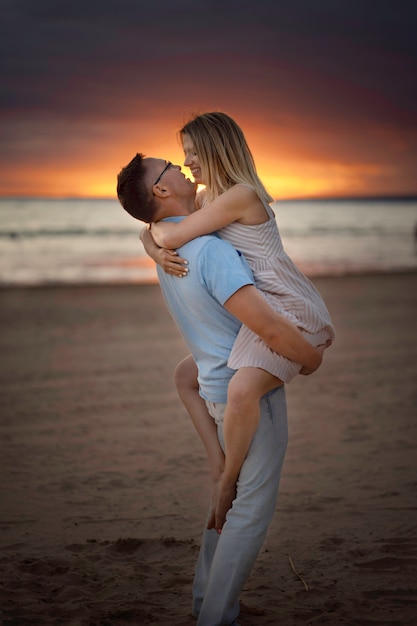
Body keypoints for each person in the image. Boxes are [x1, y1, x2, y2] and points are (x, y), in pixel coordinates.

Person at [117, 153, 330, 625]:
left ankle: (206, 602)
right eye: (169, 165)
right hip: (246, 391)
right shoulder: (210, 250)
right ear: (160, 191)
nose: (180, 166)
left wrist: (151, 243)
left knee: (229, 498)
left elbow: (155, 233)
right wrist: (311, 358)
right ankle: (217, 616)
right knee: (250, 509)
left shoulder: (175, 249)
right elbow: (270, 329)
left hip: (217, 386)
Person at [141, 112, 335, 531]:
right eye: (183, 154)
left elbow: (170, 234)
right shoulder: (210, 198)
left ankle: (227, 481)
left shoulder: (240, 195)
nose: (188, 162)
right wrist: (152, 248)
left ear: (216, 149)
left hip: (288, 306)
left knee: (242, 388)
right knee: (185, 375)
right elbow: (158, 226)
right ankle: (218, 465)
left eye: (193, 152)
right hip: (265, 308)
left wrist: (157, 246)